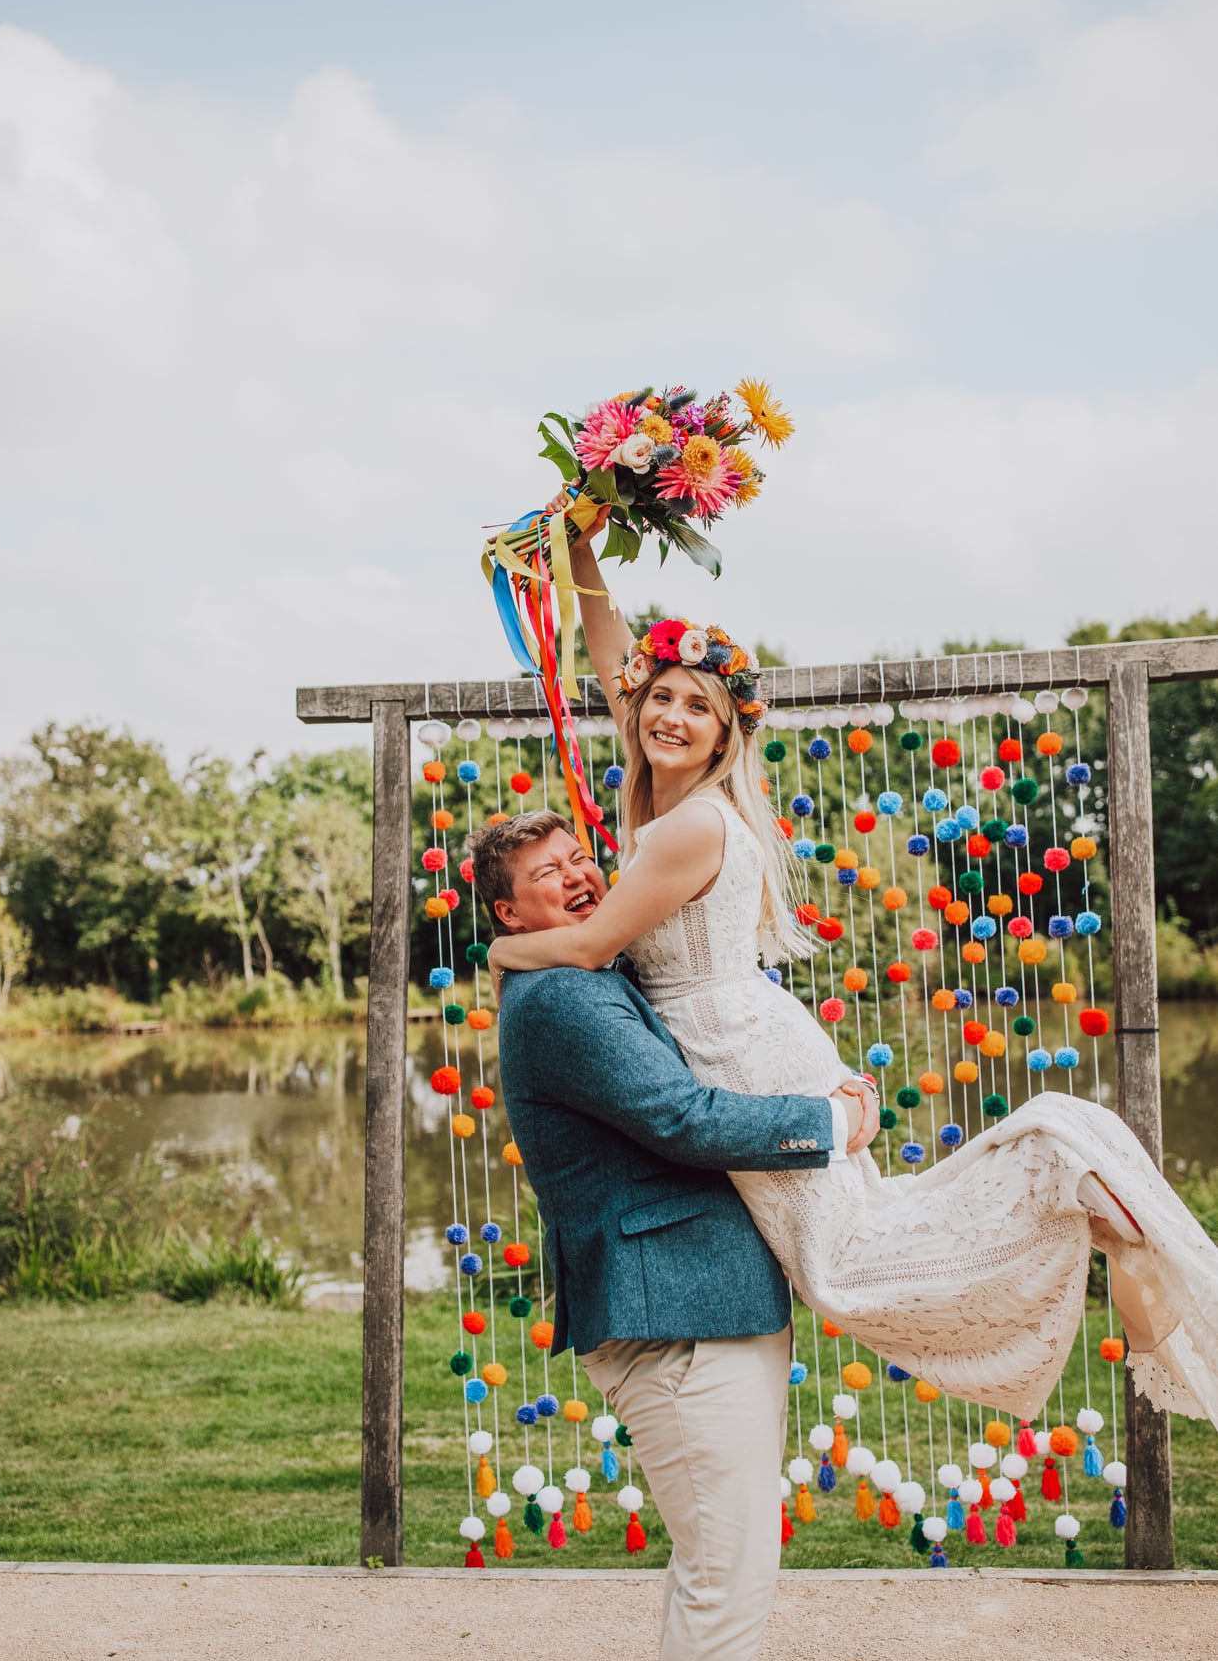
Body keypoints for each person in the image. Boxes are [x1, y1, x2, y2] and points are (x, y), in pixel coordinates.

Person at [487, 500, 1218, 1434]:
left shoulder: (694, 825)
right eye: (658, 697)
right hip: (735, 1035)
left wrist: (505, 948)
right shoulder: (659, 808)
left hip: (737, 1049)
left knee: (846, 1263)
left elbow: (587, 948)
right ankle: (1071, 1194)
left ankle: (1066, 1178)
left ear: (724, 737)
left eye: (696, 707)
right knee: (858, 1239)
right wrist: (580, 544)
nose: (667, 713)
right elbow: (612, 656)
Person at [476, 808, 880, 1661]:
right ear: (504, 909)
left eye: (579, 861)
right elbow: (678, 1119)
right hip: (675, 1318)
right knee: (723, 1574)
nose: (573, 879)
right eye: (544, 874)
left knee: (721, 1564)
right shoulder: (560, 999)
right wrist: (832, 1119)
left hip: (702, 1303)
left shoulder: (582, 967)